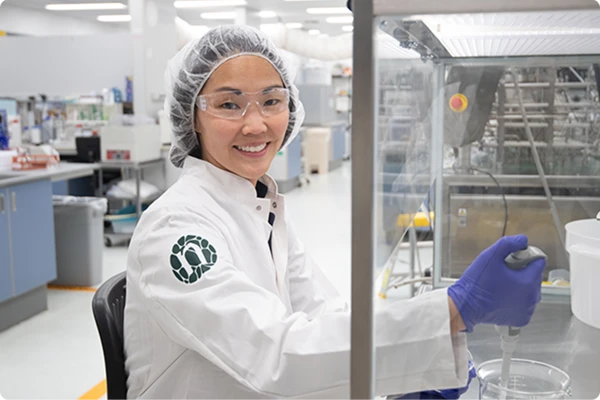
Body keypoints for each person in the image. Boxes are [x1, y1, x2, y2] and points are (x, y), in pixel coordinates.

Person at [123, 25, 545, 400]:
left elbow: (326, 313)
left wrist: (413, 362)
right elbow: (275, 354)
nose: (255, 125)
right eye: (229, 105)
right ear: (192, 117)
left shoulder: (260, 206)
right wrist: (454, 310)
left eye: (272, 101)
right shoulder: (176, 230)